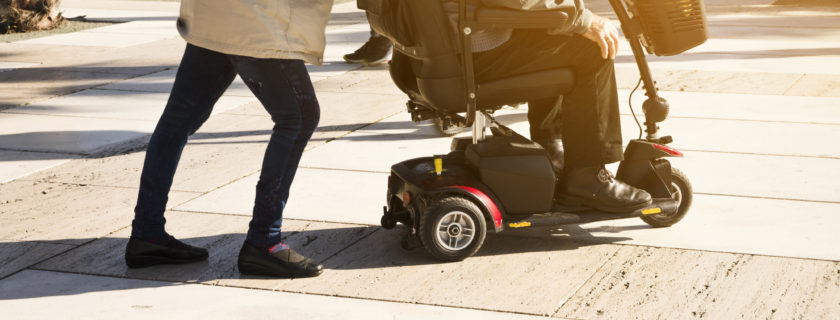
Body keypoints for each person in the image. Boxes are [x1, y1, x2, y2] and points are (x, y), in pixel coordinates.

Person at [124, 0, 332, 278]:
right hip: (258, 17)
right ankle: (265, 241)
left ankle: (146, 234)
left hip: (214, 12)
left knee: (178, 119)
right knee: (299, 118)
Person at [443, 0, 652, 213]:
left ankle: (551, 148)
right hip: (471, 52)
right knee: (592, 50)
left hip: (447, 48)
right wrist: (584, 19)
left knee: (554, 30)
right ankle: (587, 177)